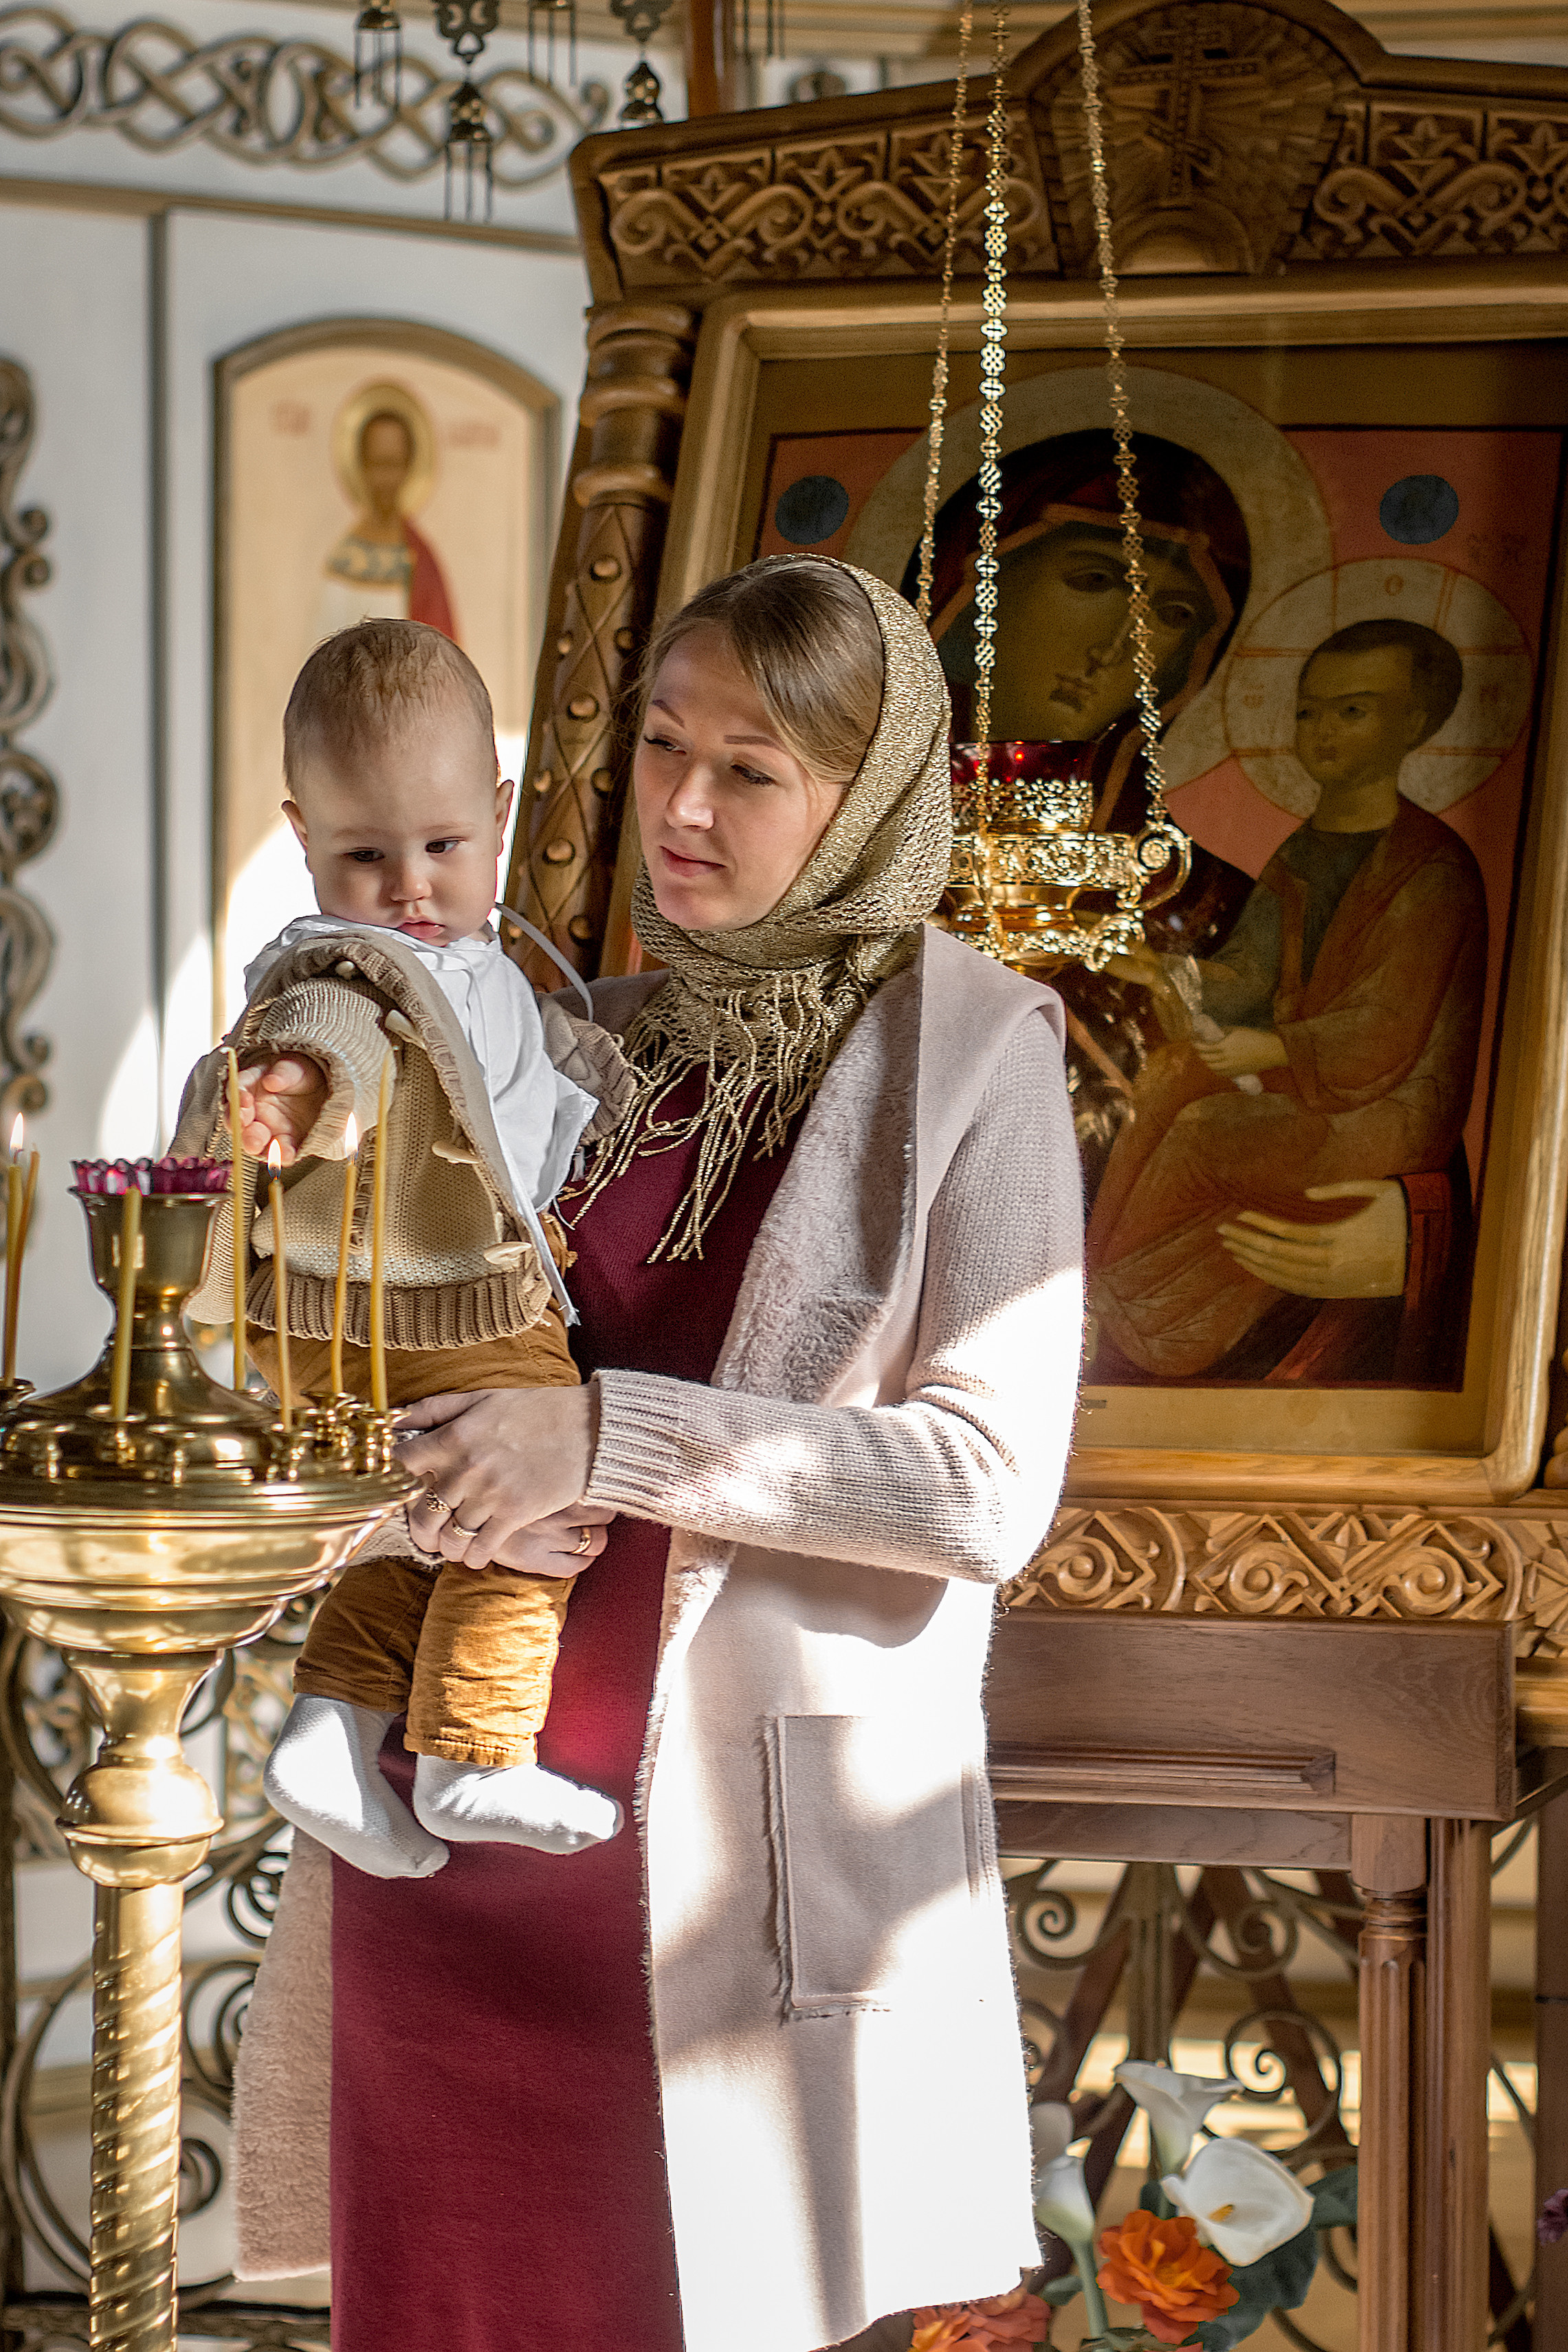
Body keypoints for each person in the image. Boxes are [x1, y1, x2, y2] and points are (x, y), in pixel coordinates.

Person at [230, 556, 1085, 2352]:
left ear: (866, 793)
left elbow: (982, 1485)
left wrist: (604, 1437)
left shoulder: (976, 1055)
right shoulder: (564, 1039)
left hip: (718, 1888)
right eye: (661, 744)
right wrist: (416, 1474)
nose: (681, 804)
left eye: (751, 768)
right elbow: (376, 1361)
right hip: (443, 1851)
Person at [174, 619, 632, 1867]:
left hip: (360, 1313)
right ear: (301, 836)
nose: (410, 886)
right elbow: (344, 1036)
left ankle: (328, 1731)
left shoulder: (480, 964)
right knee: (549, 1479)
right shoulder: (348, 965)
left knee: (438, 1509)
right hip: (419, 1296)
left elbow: (530, 1078)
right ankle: (475, 1754)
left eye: (442, 845)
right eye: (364, 853)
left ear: (497, 809)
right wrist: (301, 1091)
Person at [1087, 617, 1486, 1381]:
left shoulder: (1432, 871)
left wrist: (1270, 1047)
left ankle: (1122, 1308)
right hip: (1311, 1087)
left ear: (1415, 723)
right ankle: (1098, 1281)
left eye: (1352, 710)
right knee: (1168, 1075)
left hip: (1382, 1111)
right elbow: (1249, 977)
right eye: (1309, 711)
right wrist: (1172, 973)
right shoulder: (1302, 851)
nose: (1321, 732)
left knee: (1205, 1131)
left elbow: (1384, 1031)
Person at [319, 399, 458, 639]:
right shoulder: (345, 556)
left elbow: (440, 656)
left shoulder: (419, 559)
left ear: (408, 468)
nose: (385, 480)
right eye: (377, 465)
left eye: (394, 465)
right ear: (362, 466)